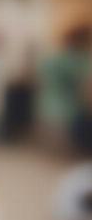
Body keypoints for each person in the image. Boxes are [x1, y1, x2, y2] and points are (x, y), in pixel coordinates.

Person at [38, 23, 92, 153]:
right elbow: (85, 86)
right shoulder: (78, 60)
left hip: (49, 108)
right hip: (68, 112)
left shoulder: (53, 58)